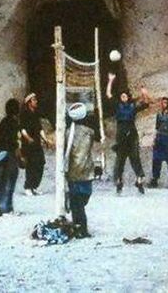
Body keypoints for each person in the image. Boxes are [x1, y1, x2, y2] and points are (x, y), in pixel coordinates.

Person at [106, 74, 149, 194]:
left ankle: (139, 179)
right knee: (120, 158)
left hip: (132, 133)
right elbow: (108, 94)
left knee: (135, 157)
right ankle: (119, 181)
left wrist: (144, 93)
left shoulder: (132, 106)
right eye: (122, 96)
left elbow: (146, 103)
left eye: (125, 96)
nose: (123, 97)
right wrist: (110, 81)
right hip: (121, 133)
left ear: (128, 97)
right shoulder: (117, 106)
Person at [65, 102, 96, 238]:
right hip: (86, 170)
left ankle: (78, 226)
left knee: (76, 201)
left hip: (73, 170)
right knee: (82, 199)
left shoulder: (67, 133)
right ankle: (81, 227)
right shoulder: (90, 132)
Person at [0, 98, 21, 217]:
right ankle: (6, 208)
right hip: (9, 154)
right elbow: (13, 140)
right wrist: (19, 154)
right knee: (9, 181)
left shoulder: (3, 121)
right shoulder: (14, 122)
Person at [149, 97, 168, 188]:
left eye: (165, 103)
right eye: (162, 103)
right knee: (156, 160)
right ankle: (155, 179)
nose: (163, 104)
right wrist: (154, 140)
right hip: (159, 139)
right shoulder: (159, 115)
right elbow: (157, 128)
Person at [20, 93, 46, 197]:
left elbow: (39, 129)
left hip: (37, 143)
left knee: (40, 163)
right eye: (34, 100)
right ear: (29, 103)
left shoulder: (36, 113)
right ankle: (27, 187)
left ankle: (34, 186)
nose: (36, 101)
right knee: (30, 165)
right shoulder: (24, 114)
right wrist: (28, 138)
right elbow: (22, 129)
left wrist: (46, 140)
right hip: (28, 144)